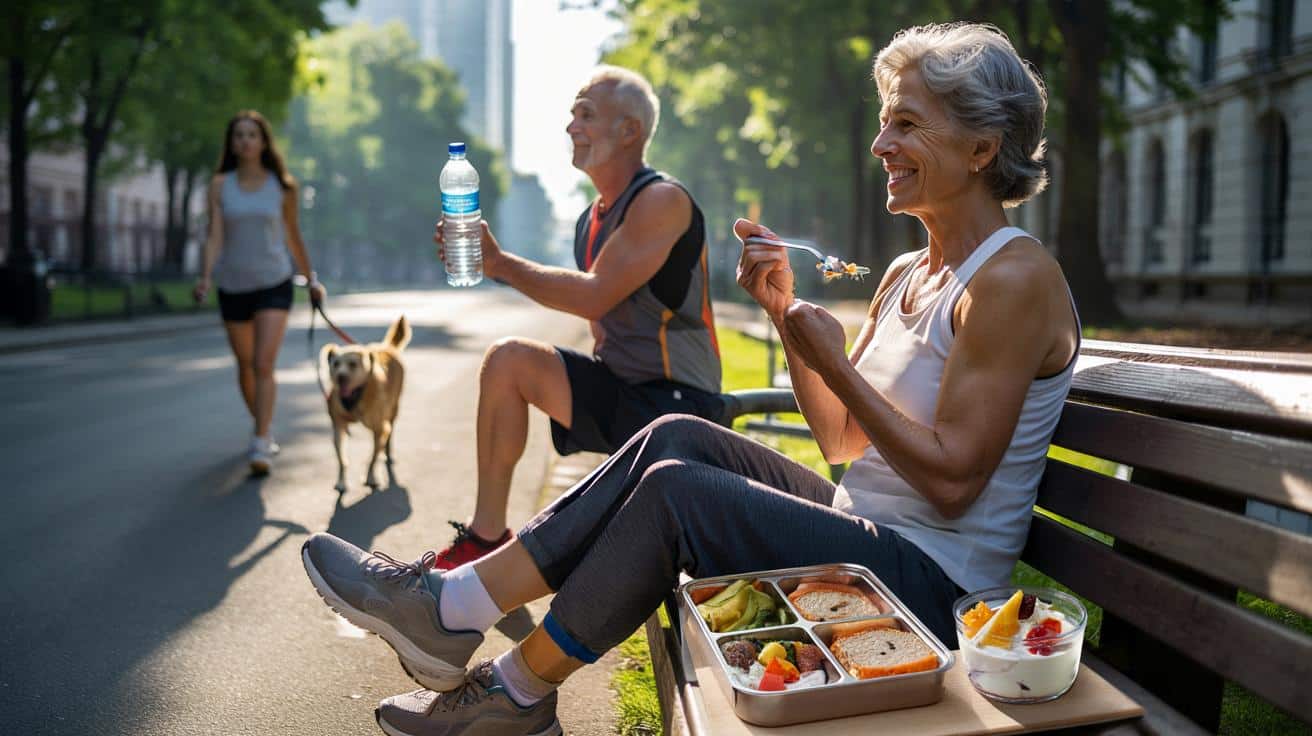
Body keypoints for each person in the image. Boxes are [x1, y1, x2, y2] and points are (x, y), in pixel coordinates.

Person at [302, 22, 1081, 735]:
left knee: (681, 492)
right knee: (675, 436)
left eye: (906, 122)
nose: (880, 142)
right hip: (870, 532)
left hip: (933, 587)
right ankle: (454, 606)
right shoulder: (910, 270)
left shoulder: (1012, 278)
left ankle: (512, 686)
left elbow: (951, 486)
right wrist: (784, 320)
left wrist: (835, 363)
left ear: (983, 147)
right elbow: (843, 445)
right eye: (884, 120)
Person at [426, 66, 723, 569]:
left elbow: (594, 297)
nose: (571, 127)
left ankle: (527, 573)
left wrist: (499, 265)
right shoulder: (592, 217)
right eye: (571, 116)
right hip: (620, 390)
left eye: (586, 115)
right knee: (507, 362)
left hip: (677, 406)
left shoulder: (661, 200)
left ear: (629, 131)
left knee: (580, 546)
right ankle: (486, 536)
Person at [194, 110, 326, 475]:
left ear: (264, 141)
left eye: (252, 134)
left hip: (274, 282)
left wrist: (310, 277)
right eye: (239, 135)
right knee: (245, 366)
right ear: (232, 144)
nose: (246, 141)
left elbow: (292, 236)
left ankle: (260, 440)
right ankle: (263, 427)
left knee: (263, 363)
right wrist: (206, 277)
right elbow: (215, 235)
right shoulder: (220, 185)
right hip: (233, 284)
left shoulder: (282, 186)